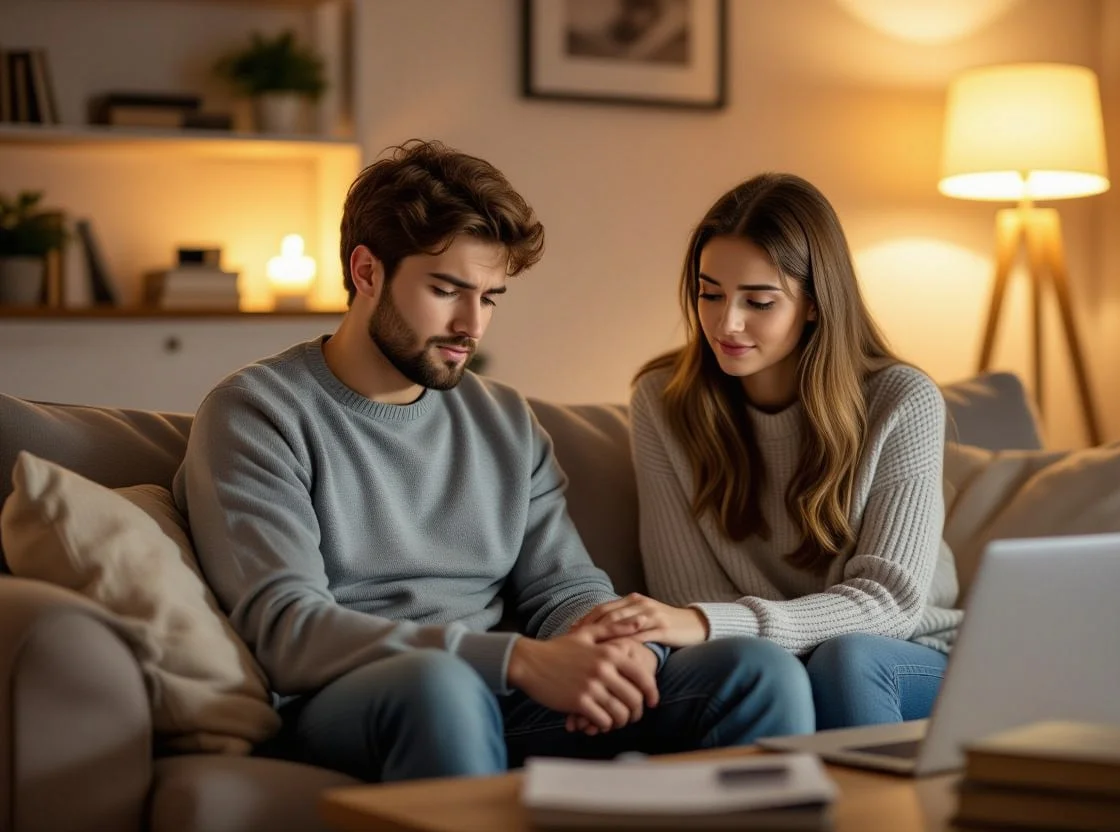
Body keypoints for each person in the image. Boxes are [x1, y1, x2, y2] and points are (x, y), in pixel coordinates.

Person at [173, 142, 814, 783]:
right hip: (353, 698)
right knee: (439, 685)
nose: (470, 325)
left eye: (490, 297)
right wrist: (517, 661)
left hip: (499, 696)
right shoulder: (257, 413)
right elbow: (290, 631)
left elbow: (562, 587)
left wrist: (627, 649)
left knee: (756, 671)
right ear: (366, 272)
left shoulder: (504, 420)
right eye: (446, 290)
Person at [572, 172, 962, 731]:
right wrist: (719, 627)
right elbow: (688, 592)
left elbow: (890, 603)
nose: (726, 323)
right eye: (710, 294)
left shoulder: (902, 399)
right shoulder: (662, 401)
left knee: (846, 659)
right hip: (771, 659)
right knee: (769, 670)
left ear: (813, 304)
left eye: (758, 301)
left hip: (911, 648)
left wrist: (711, 623)